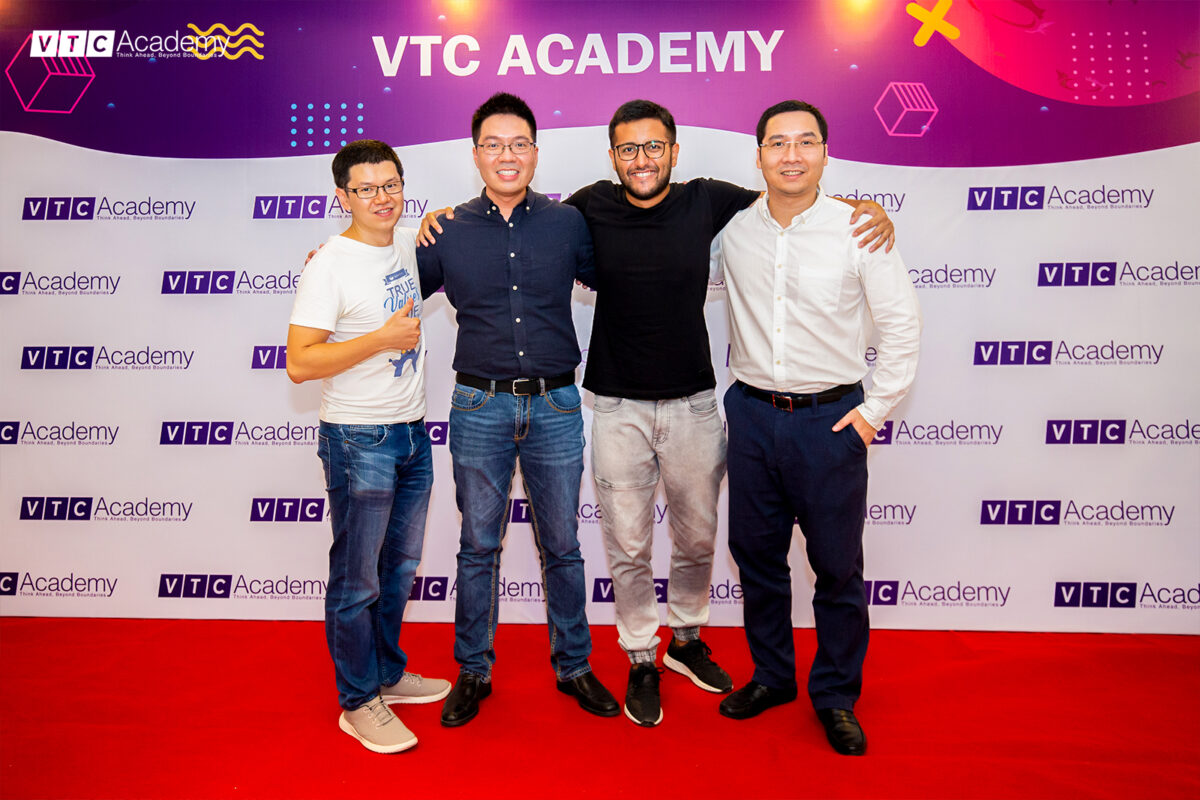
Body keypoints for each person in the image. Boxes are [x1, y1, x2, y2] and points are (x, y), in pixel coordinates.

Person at [422, 98, 893, 728]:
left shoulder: (709, 200)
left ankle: (687, 639)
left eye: (653, 147)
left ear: (673, 151)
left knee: (698, 538)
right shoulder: (584, 209)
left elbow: (790, 192)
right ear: (612, 156)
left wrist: (864, 208)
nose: (641, 159)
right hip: (615, 404)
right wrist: (407, 229)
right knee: (627, 543)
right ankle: (641, 655)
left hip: (695, 403)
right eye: (628, 149)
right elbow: (490, 237)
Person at [710, 100, 921, 756]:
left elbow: (902, 326)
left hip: (832, 423)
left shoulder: (859, 228)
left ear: (826, 153)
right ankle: (773, 677)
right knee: (757, 558)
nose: (792, 155)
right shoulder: (731, 231)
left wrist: (871, 414)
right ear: (759, 155)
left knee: (836, 568)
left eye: (806, 142)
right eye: (778, 143)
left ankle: (834, 696)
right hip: (750, 416)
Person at [415, 92, 619, 727]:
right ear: (476, 153)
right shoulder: (445, 230)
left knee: (563, 545)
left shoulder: (568, 223)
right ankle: (473, 670)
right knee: (478, 545)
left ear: (535, 151)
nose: (508, 155)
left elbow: (625, 272)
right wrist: (332, 260)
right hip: (478, 405)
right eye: (494, 144)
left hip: (557, 403)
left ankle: (575, 666)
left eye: (519, 143)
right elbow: (385, 287)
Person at [286, 139, 451, 754]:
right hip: (358, 439)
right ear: (343, 196)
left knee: (397, 570)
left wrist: (442, 217)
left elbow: (452, 227)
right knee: (357, 581)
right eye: (366, 189)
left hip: (411, 433)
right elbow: (300, 363)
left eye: (391, 185)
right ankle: (357, 701)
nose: (382, 198)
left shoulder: (407, 243)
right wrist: (381, 339)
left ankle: (384, 672)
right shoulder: (329, 264)